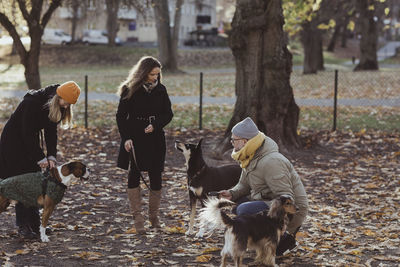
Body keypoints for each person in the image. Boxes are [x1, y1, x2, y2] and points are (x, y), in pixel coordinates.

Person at [0, 81, 81, 239]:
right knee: (22, 184)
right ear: (58, 96)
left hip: (29, 144)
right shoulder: (32, 103)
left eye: (69, 104)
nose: (66, 107)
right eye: (66, 102)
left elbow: (51, 132)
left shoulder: (55, 106)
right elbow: (27, 133)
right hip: (13, 144)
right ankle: (24, 226)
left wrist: (51, 155)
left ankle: (36, 224)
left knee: (35, 183)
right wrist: (39, 157)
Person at [218, 117, 308, 256]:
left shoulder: (271, 162)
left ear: (245, 141)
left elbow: (287, 198)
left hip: (292, 210)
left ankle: (284, 241)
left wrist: (283, 224)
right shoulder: (250, 154)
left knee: (244, 209)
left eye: (234, 140)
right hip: (269, 201)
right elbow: (244, 184)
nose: (231, 142)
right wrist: (232, 193)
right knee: (236, 205)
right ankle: (261, 239)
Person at [116, 56, 173, 234]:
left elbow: (168, 114)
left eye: (157, 74)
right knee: (134, 175)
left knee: (156, 176)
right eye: (152, 74)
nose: (155, 77)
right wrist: (126, 138)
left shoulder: (161, 90)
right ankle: (138, 219)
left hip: (155, 138)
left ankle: (153, 217)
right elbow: (120, 116)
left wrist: (155, 124)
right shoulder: (129, 89)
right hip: (135, 137)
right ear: (143, 73)